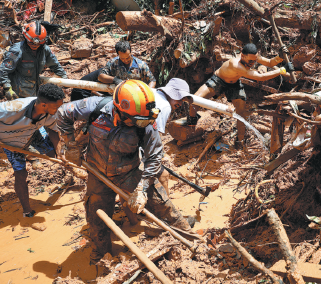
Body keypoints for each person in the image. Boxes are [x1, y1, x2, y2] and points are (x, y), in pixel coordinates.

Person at [56, 79, 191, 260]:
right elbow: (63, 113)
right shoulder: (96, 108)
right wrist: (70, 144)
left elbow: (154, 156)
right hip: (97, 174)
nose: (139, 124)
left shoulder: (146, 120)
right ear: (119, 110)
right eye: (135, 121)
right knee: (97, 221)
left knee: (164, 208)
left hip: (129, 173)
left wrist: (143, 188)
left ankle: (191, 240)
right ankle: (102, 257)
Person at [188, 43, 294, 148]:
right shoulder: (236, 64)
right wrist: (282, 70)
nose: (253, 63)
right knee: (195, 99)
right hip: (218, 81)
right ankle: (190, 125)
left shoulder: (253, 57)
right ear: (242, 56)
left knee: (241, 111)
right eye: (250, 61)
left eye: (254, 60)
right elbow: (260, 77)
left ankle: (240, 141)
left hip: (234, 84)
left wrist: (279, 57)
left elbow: (270, 63)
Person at [0, 83, 65, 217]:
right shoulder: (10, 110)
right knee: (21, 173)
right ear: (43, 105)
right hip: (11, 143)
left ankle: (71, 172)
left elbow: (53, 130)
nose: (59, 109)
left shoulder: (50, 113)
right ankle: (27, 211)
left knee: (53, 153)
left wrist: (60, 153)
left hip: (32, 134)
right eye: (56, 106)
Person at [0, 21, 67, 100]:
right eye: (31, 43)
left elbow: (55, 65)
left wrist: (65, 78)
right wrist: (7, 88)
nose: (35, 45)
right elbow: (4, 70)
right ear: (26, 38)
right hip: (18, 93)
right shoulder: (16, 51)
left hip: (35, 91)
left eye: (38, 44)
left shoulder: (45, 50)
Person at [70, 40, 156, 101]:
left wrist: (147, 92)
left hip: (136, 96)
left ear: (131, 52)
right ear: (118, 54)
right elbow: (101, 76)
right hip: (119, 95)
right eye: (123, 58)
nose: (126, 60)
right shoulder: (113, 63)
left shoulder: (141, 65)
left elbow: (152, 80)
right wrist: (115, 80)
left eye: (128, 57)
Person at [153, 78, 193, 195]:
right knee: (163, 175)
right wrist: (159, 157)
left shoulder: (155, 93)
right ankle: (166, 210)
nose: (180, 103)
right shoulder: (164, 106)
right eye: (179, 98)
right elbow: (155, 136)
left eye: (183, 99)